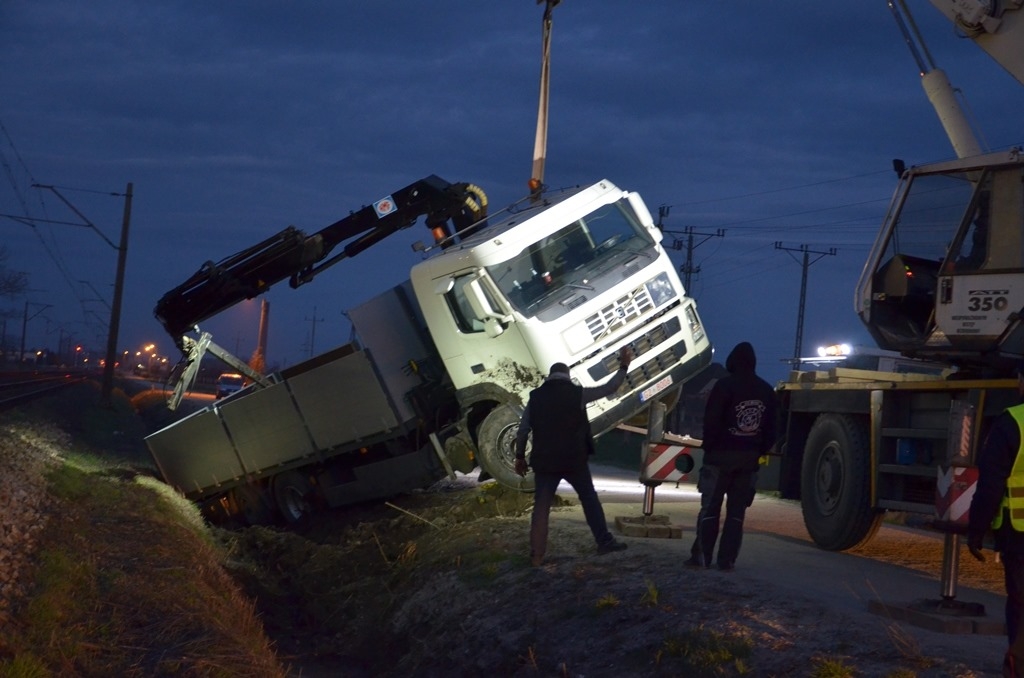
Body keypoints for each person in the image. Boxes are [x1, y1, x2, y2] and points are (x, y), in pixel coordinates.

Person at [514, 346, 632, 566]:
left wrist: (519, 457)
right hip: (573, 459)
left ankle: (537, 556)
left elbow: (522, 430)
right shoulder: (578, 393)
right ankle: (604, 541)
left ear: (549, 378)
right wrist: (624, 365)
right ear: (567, 377)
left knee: (541, 505)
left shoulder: (536, 397)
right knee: (588, 498)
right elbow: (611, 387)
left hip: (545, 461)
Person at [686, 341, 776, 571]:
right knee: (736, 514)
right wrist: (759, 450)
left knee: (710, 509)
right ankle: (727, 561)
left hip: (719, 459)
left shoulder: (724, 386)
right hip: (748, 461)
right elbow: (773, 428)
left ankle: (702, 557)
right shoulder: (766, 390)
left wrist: (711, 449)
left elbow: (711, 422)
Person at [967, 362, 1024, 678]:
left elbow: (990, 486)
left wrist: (976, 532)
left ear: (1020, 382)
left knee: (1021, 605)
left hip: (1019, 534)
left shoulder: (1012, 422)